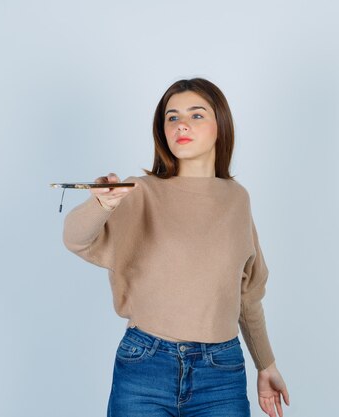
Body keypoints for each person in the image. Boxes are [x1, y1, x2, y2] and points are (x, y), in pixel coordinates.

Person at [63, 78, 289, 417]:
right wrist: (102, 204)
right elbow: (76, 239)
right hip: (145, 366)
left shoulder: (236, 199)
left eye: (196, 115)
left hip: (221, 374)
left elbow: (247, 294)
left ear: (220, 126)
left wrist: (266, 364)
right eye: (172, 117)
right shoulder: (139, 191)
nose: (181, 124)